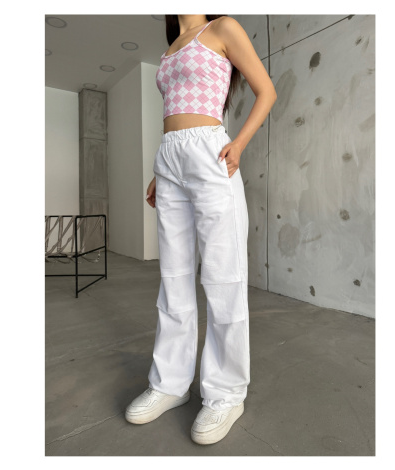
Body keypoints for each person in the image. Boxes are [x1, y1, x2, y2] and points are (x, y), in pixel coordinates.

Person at [125, 14, 277, 445]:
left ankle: (226, 394)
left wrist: (239, 144)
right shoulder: (171, 48)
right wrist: (161, 171)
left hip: (211, 151)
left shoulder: (222, 28)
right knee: (173, 278)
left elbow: (267, 90)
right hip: (169, 158)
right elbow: (174, 115)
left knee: (223, 275)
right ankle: (169, 384)